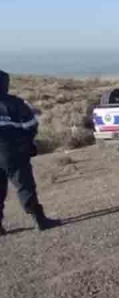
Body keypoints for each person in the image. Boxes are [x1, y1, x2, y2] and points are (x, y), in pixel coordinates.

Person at [0, 70, 61, 235]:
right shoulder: (16, 104)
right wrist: (27, 144)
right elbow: (30, 126)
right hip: (13, 151)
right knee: (24, 185)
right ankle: (39, 219)